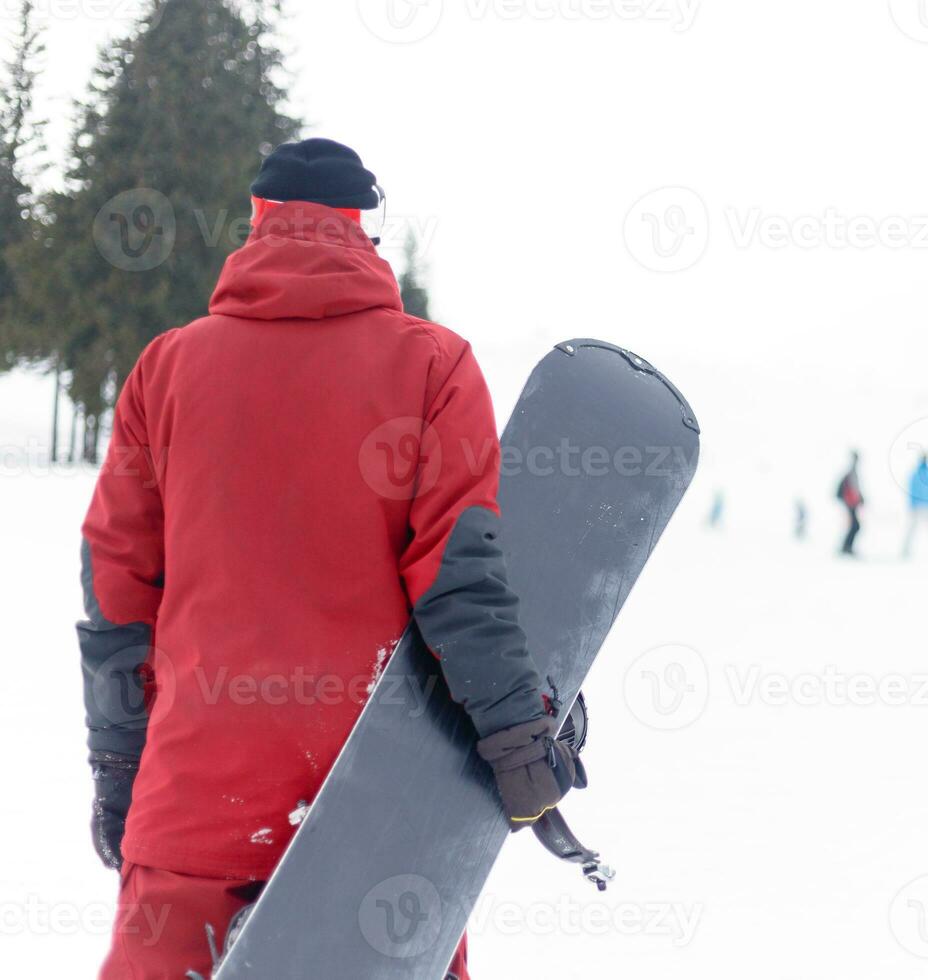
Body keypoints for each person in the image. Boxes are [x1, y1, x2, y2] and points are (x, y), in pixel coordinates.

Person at [79, 138, 585, 980]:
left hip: (195, 806)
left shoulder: (165, 369)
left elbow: (115, 599)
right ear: (365, 231)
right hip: (378, 806)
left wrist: (118, 764)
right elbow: (460, 579)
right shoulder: (434, 365)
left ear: (256, 223)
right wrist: (513, 732)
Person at [902, 453, 928, 559]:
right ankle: (905, 550)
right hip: (918, 507)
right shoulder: (915, 474)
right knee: (912, 529)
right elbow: (911, 490)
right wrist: (912, 504)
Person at [836, 451, 864, 556]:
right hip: (850, 503)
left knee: (854, 525)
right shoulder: (852, 472)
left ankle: (846, 547)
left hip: (851, 503)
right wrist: (859, 498)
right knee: (855, 526)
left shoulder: (851, 471)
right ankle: (846, 547)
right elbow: (854, 489)